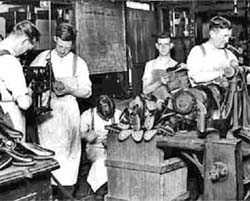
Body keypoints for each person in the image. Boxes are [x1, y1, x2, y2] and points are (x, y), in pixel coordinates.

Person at [30, 22, 92, 200]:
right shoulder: (43, 58)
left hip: (68, 113)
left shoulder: (78, 63)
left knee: (69, 156)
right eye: (60, 46)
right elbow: (31, 83)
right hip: (48, 116)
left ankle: (67, 194)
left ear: (72, 44)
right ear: (55, 39)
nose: (63, 50)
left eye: (67, 47)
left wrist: (69, 90)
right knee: (48, 152)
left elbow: (87, 91)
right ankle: (49, 193)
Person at [0, 20, 40, 139]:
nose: (25, 53)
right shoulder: (10, 62)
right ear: (24, 41)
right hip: (9, 120)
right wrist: (29, 93)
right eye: (27, 49)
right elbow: (24, 104)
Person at [80, 95, 121, 200]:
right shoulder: (88, 115)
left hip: (115, 145)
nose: (107, 119)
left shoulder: (118, 114)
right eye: (105, 117)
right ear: (98, 111)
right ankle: (100, 190)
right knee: (101, 162)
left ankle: (115, 189)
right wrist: (87, 135)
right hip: (95, 146)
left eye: (109, 116)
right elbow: (78, 134)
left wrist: (114, 141)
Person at [186, 16, 238, 86]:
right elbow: (195, 77)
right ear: (212, 34)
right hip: (204, 94)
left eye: (229, 37)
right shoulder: (198, 52)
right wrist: (222, 73)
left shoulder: (228, 54)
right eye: (224, 36)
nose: (227, 40)